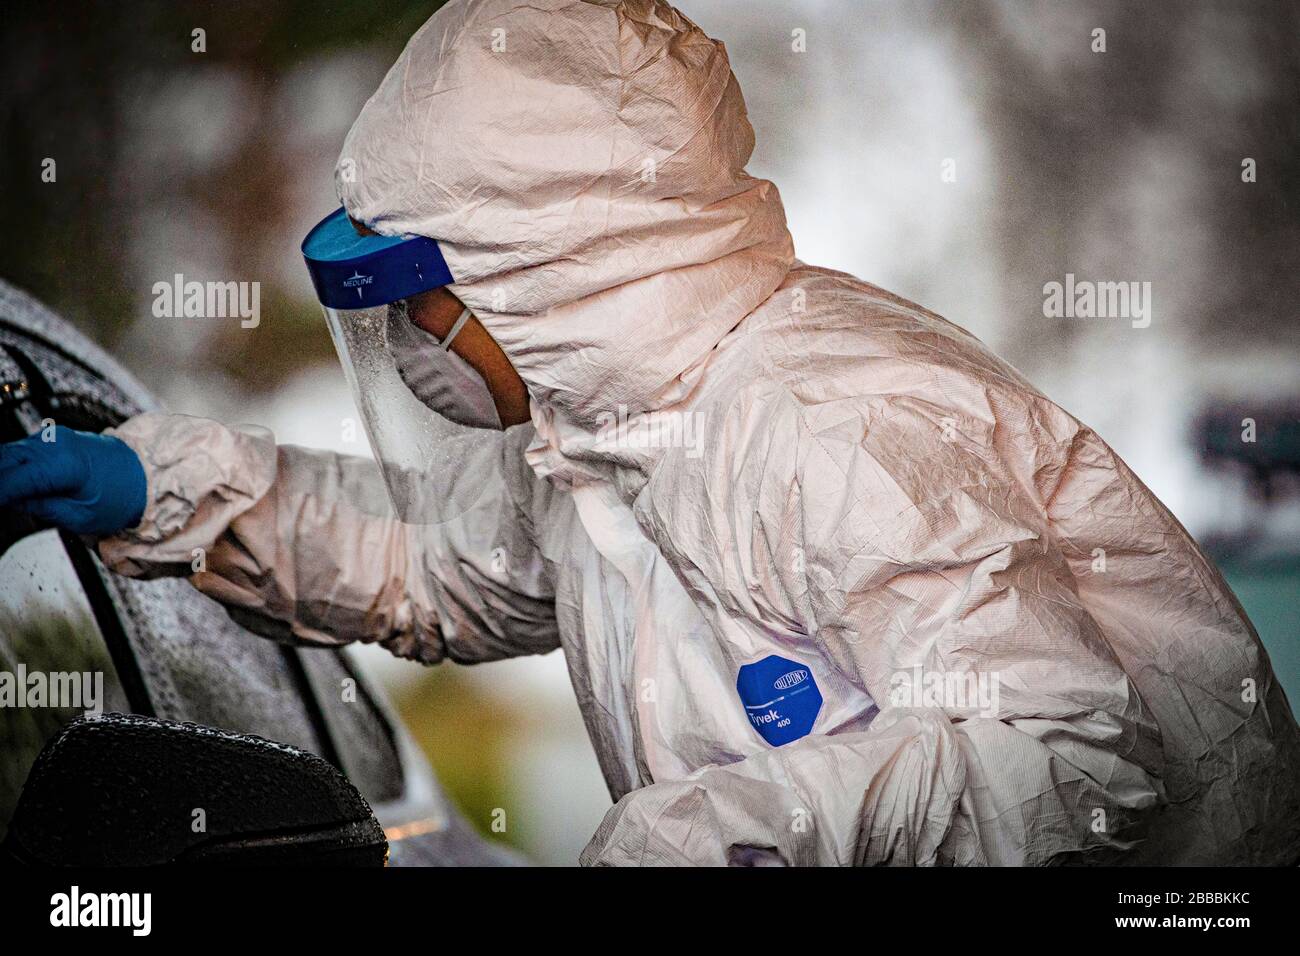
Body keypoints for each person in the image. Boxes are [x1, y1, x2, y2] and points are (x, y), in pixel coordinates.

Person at [1, 0, 1297, 866]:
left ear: (548, 267)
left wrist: (716, 837)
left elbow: (1070, 753)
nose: (407, 348)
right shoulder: (609, 435)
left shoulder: (823, 418)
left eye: (417, 303)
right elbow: (436, 568)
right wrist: (162, 492)